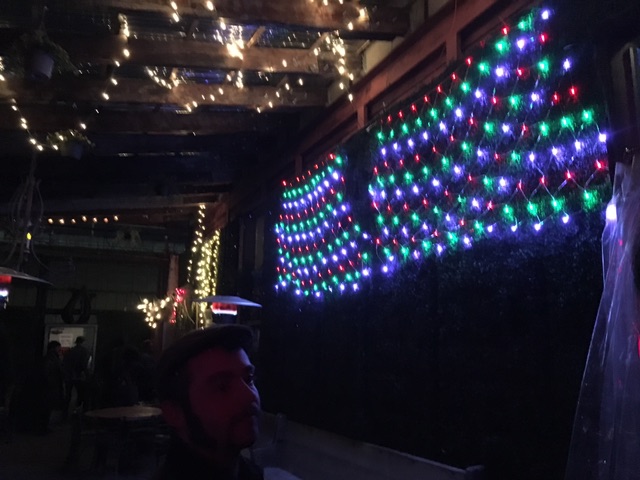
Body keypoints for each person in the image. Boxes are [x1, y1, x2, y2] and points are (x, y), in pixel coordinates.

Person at [154, 324, 263, 480]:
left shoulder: (250, 473)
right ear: (173, 413)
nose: (250, 396)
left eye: (249, 379)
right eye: (222, 387)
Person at [63, 336, 91, 413]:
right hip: (79, 376)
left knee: (68, 395)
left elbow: (65, 363)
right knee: (80, 395)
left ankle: (65, 411)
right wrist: (87, 375)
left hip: (69, 376)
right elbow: (85, 365)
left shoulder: (70, 351)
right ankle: (76, 411)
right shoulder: (84, 351)